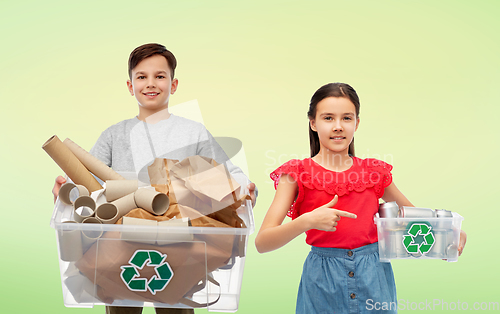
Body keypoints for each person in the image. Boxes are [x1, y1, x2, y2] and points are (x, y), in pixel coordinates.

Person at [52, 43, 257, 314]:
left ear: (173, 85)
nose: (151, 83)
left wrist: (244, 191)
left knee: (176, 304)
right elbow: (87, 186)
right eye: (142, 77)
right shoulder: (114, 135)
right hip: (122, 239)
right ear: (130, 85)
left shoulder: (193, 132)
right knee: (122, 304)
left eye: (160, 76)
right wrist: (65, 193)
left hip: (181, 239)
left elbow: (231, 177)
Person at [254, 83, 466, 314]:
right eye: (328, 118)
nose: (338, 126)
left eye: (346, 118)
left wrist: (448, 231)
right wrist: (308, 220)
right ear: (313, 123)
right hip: (322, 282)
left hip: (374, 278)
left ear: (356, 123)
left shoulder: (374, 172)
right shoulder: (296, 174)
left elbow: (415, 217)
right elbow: (263, 242)